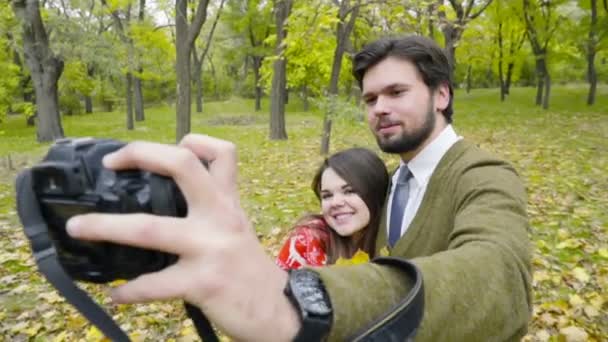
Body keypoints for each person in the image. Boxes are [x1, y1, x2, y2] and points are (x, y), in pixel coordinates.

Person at [66, 35, 532, 341]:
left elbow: (502, 276)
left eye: (396, 92)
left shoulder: (484, 174)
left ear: (442, 95)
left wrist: (301, 298)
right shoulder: (390, 181)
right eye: (370, 98)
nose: (379, 109)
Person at [276, 148, 389, 270]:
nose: (335, 203)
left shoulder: (395, 238)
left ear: (376, 192)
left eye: (349, 191)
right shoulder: (307, 242)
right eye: (327, 196)